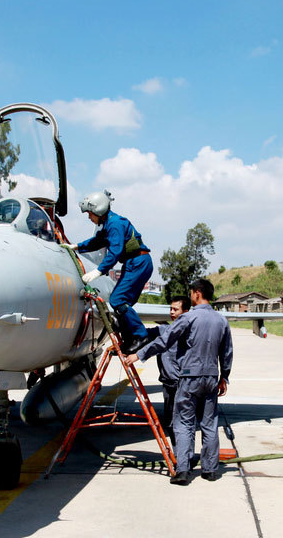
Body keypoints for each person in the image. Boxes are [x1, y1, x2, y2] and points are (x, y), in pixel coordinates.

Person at [125, 279, 232, 485]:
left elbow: (165, 341)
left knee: (183, 423)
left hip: (189, 377)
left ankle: (183, 470)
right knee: (209, 424)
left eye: (191, 292)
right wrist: (224, 377)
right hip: (211, 377)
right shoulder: (221, 320)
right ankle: (210, 470)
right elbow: (226, 352)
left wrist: (139, 355)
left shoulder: (188, 318)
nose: (190, 296)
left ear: (198, 294)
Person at [73, 190, 152, 354]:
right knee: (120, 303)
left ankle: (141, 336)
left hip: (138, 262)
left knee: (117, 300)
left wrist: (99, 271)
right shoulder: (109, 223)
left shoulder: (115, 224)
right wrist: (77, 247)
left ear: (98, 210)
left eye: (90, 213)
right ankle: (130, 340)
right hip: (134, 263)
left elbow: (115, 252)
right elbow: (97, 241)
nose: (89, 217)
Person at [144, 295, 191, 439]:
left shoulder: (192, 331)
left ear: (186, 311)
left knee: (183, 421)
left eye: (175, 309)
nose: (171, 312)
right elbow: (142, 333)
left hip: (184, 382)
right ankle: (177, 454)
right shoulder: (163, 329)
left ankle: (182, 455)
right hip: (168, 382)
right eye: (170, 309)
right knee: (171, 420)